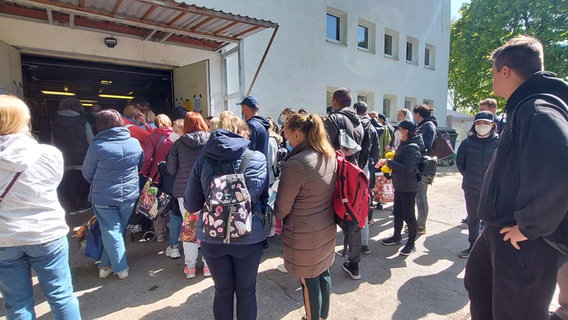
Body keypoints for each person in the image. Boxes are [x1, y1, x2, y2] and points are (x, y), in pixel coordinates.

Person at [464, 35, 568, 320]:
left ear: (505, 70)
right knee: (478, 282)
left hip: (522, 240)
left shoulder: (537, 109)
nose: (493, 78)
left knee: (516, 311)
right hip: (501, 229)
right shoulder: (526, 106)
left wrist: (529, 225)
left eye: (494, 71)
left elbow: (561, 169)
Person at [0, 95, 82, 319]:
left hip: (4, 237)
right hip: (46, 231)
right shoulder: (48, 154)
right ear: (24, 120)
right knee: (61, 295)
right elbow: (52, 184)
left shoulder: (55, 126)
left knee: (16, 303)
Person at [184, 116, 268, 320]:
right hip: (248, 235)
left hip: (212, 235)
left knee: (222, 291)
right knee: (247, 291)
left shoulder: (202, 161)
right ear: (241, 132)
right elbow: (262, 198)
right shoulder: (257, 158)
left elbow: (191, 204)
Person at [274, 113, 337, 320]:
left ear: (297, 134)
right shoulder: (328, 154)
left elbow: (282, 208)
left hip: (303, 231)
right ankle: (322, 315)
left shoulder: (297, 164)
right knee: (323, 273)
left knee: (308, 281)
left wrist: (273, 210)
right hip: (325, 225)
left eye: (286, 132)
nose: (284, 137)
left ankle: (312, 318)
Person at [82, 109, 143, 280]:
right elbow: (140, 166)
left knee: (111, 231)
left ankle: (120, 268)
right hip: (129, 195)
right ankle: (105, 265)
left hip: (103, 196)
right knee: (117, 230)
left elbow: (87, 172)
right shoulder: (134, 143)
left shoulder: (97, 145)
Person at [324, 88, 364, 280]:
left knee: (328, 215)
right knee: (353, 218)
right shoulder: (360, 122)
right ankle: (354, 264)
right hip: (354, 172)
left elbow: (324, 148)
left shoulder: (334, 119)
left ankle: (323, 259)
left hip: (336, 173)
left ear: (335, 102)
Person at [166, 112, 210, 277]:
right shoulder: (211, 140)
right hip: (207, 191)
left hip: (184, 191)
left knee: (190, 227)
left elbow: (171, 169)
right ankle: (208, 266)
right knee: (207, 227)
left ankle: (190, 268)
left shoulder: (178, 144)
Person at [455, 111, 499, 258]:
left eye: (486, 123)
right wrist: (470, 177)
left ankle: (489, 248)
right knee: (473, 219)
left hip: (492, 190)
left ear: (492, 125)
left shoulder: (499, 143)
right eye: (479, 123)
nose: (482, 126)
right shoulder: (467, 143)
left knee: (491, 220)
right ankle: (473, 246)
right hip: (471, 188)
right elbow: (461, 164)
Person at [378, 120, 423, 255]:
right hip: (399, 184)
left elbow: (409, 168)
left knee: (408, 215)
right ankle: (396, 236)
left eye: (400, 129)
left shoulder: (413, 146)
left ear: (406, 131)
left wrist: (390, 162)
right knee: (397, 212)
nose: (397, 132)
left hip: (408, 186)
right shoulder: (404, 143)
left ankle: (411, 243)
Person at [51, 97, 93, 215]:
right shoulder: (83, 121)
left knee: (68, 181)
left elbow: (52, 140)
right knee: (82, 181)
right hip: (82, 157)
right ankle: (82, 205)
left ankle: (72, 207)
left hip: (63, 157)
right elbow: (90, 139)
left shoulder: (54, 121)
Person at [140, 114, 175, 243]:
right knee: (171, 204)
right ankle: (173, 228)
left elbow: (148, 157)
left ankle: (160, 233)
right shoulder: (175, 135)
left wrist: (144, 172)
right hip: (171, 175)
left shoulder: (152, 137)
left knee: (156, 205)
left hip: (156, 176)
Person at [353, 101, 379, 254]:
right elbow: (376, 151)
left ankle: (354, 248)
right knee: (364, 204)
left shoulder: (356, 125)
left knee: (353, 206)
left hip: (356, 169)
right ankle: (364, 243)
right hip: (366, 169)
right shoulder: (373, 127)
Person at [412, 104, 437, 235]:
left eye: (414, 113)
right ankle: (418, 222)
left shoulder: (428, 126)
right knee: (418, 195)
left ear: (418, 114)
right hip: (418, 163)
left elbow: (427, 145)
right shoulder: (423, 125)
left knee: (421, 196)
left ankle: (421, 225)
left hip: (424, 165)